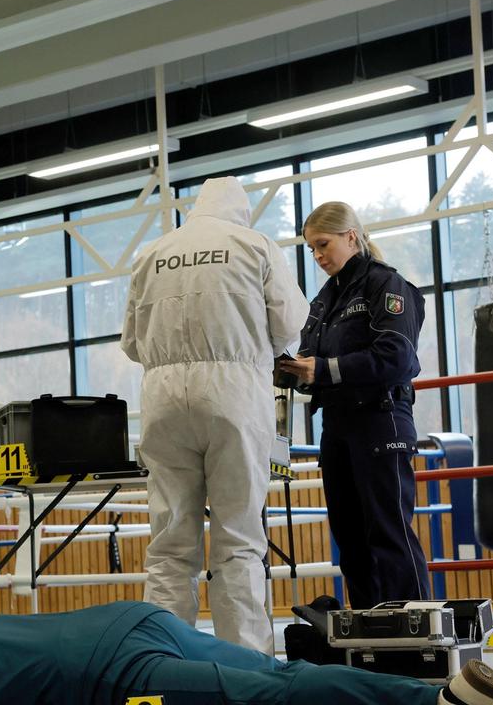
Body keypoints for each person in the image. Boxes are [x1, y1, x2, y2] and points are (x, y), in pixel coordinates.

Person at [121, 176, 308, 653]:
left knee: (168, 545)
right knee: (239, 540)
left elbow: (130, 342)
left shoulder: (152, 254)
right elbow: (289, 322)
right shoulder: (255, 246)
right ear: (241, 212)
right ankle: (246, 667)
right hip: (234, 399)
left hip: (162, 402)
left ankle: (162, 661)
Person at [0, 600, 493, 705]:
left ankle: (439, 702)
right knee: (284, 670)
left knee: (268, 698)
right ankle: (437, 695)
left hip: (116, 671)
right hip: (142, 620)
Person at [278, 200, 429, 608]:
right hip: (338, 426)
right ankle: (368, 633)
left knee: (388, 532)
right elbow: (312, 361)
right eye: (311, 249)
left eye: (323, 244)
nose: (318, 255)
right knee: (350, 539)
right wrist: (289, 369)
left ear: (351, 236)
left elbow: (398, 358)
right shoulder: (324, 301)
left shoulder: (388, 286)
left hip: (381, 420)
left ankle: (412, 635)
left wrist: (322, 370)